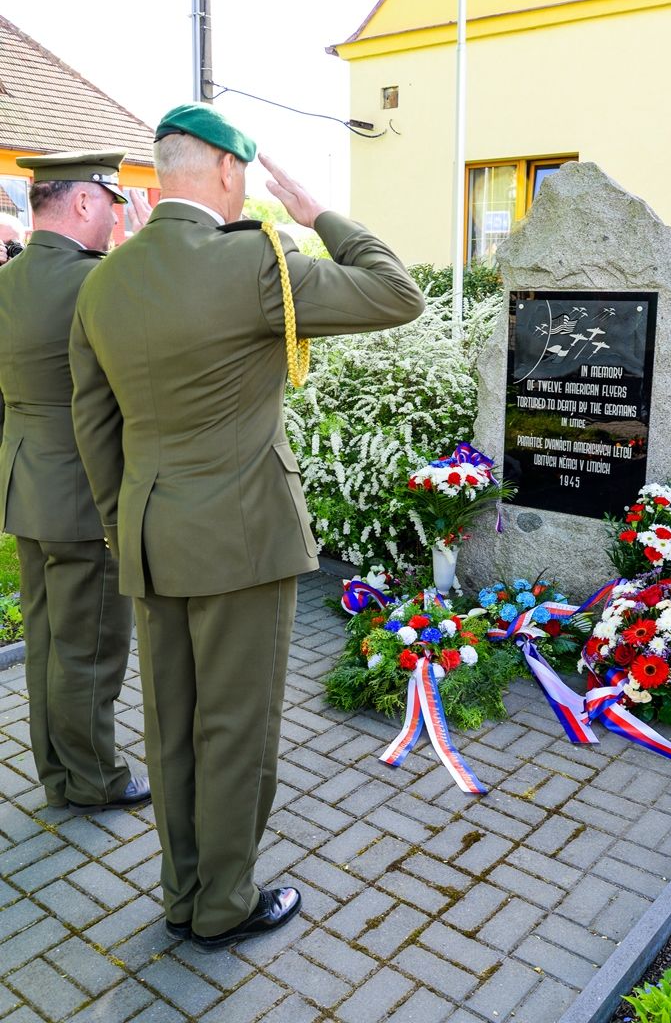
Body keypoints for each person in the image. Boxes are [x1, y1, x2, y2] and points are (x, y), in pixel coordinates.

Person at [69, 102, 425, 951]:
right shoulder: (258, 261)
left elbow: (94, 424)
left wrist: (127, 526)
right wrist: (317, 214)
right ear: (230, 170)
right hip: (240, 541)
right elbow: (398, 292)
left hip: (150, 536)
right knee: (235, 727)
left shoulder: (104, 279)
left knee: (171, 724)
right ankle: (223, 904)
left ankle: (182, 889)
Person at [0, 150, 151, 814]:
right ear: (84, 201)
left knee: (47, 643)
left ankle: (58, 772)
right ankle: (92, 781)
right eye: (111, 205)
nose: (115, 219)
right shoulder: (98, 281)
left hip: (26, 484)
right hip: (86, 493)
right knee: (89, 648)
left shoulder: (8, 278)